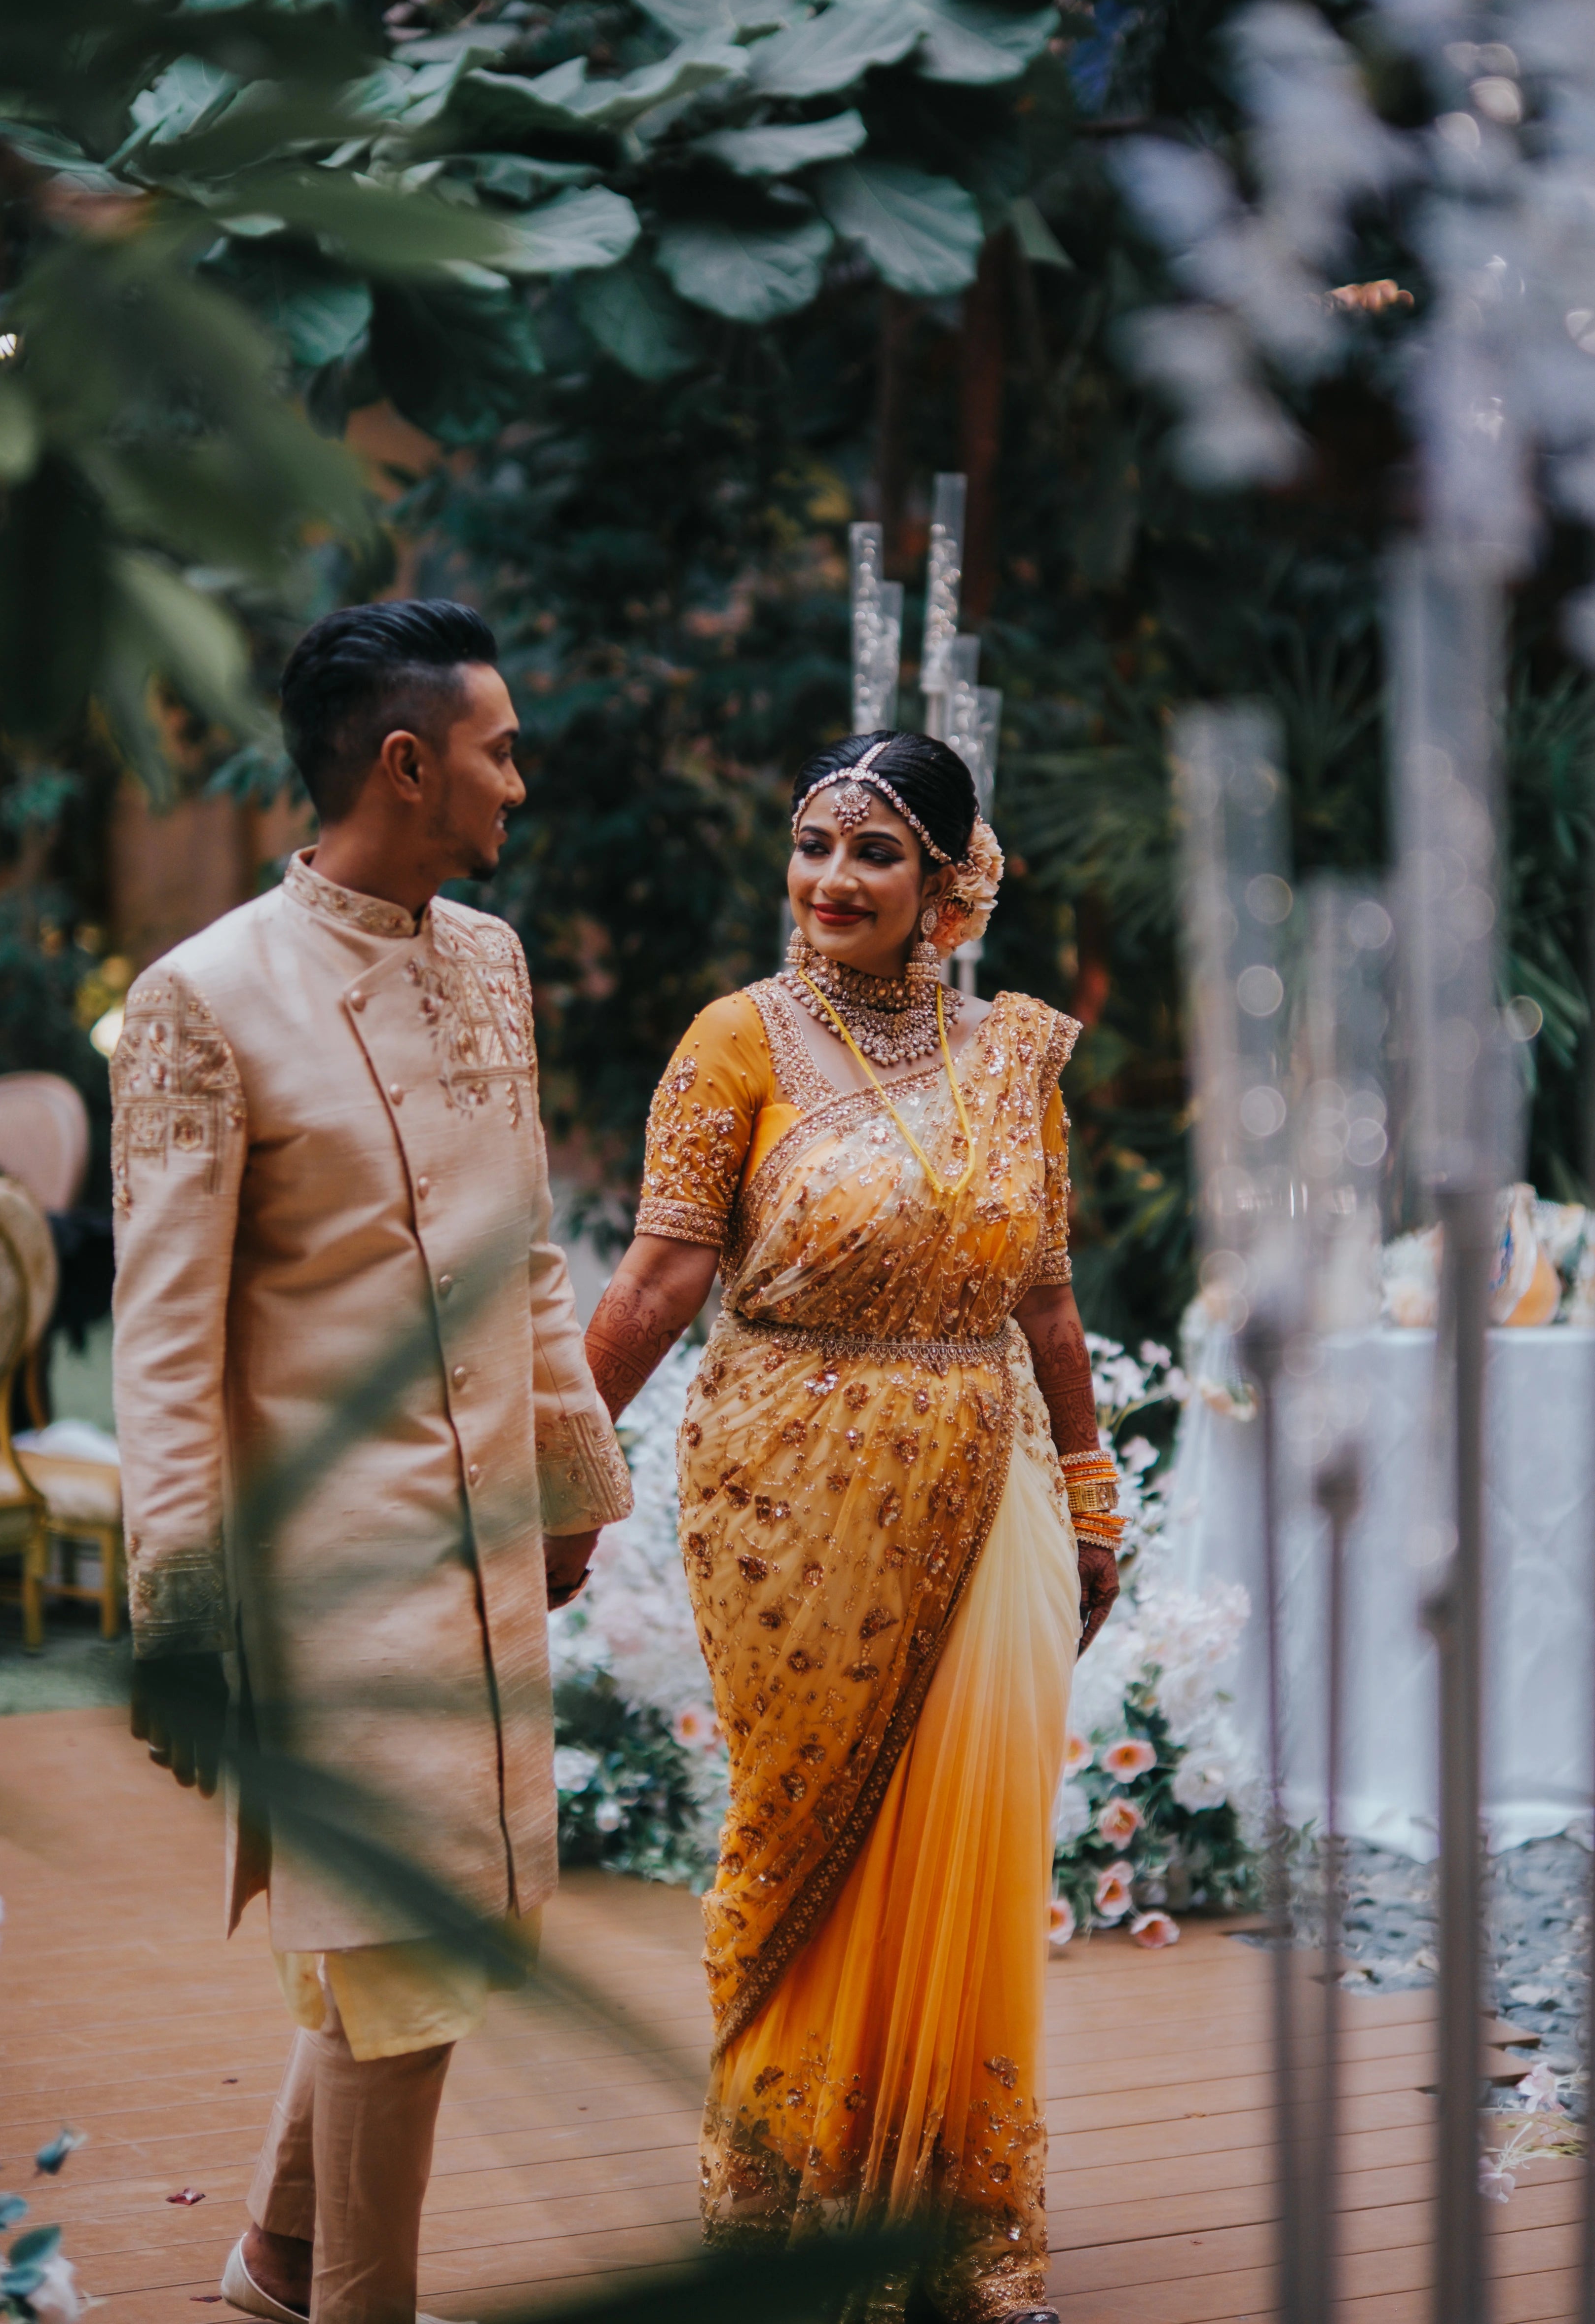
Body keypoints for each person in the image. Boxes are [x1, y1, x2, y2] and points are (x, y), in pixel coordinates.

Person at [110, 600, 632, 2324]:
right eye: (497, 748)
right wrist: (179, 1628)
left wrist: (569, 1490)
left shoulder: (490, 957)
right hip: (329, 1582)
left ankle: (273, 2261)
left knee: (436, 1935)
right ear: (406, 766)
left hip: (486, 1554)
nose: (520, 781)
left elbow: (528, 1252)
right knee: (402, 1960)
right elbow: (167, 1350)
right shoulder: (199, 1001)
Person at [583, 732, 1120, 2324]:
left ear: (951, 881)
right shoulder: (734, 1042)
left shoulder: (1017, 1055)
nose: (832, 879)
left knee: (968, 1835)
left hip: (991, 1481)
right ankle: (785, 2198)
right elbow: (660, 1284)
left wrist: (1092, 1486)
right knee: (797, 1830)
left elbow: (1049, 1297)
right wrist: (545, 1466)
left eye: (875, 852)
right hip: (786, 1501)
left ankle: (949, 2214)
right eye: (814, 844)